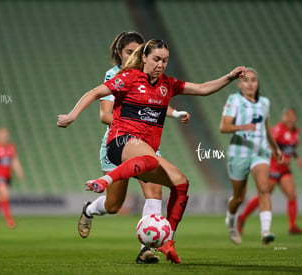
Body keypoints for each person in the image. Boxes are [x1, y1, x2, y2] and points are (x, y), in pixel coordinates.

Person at [58, 39, 246, 263]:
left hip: (145, 151)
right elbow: (95, 93)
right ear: (144, 57)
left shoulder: (168, 84)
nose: (161, 64)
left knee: (179, 183)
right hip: (121, 141)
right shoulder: (128, 77)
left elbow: (203, 88)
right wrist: (72, 115)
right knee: (150, 159)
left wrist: (230, 77)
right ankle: (105, 180)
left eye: (165, 60)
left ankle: (165, 242)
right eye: (156, 59)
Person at [84, 31, 190, 265]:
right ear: (119, 54)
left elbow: (154, 103)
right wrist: (134, 124)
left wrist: (174, 113)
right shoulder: (117, 76)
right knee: (113, 205)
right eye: (129, 52)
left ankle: (147, 248)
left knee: (154, 193)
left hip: (145, 145)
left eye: (138, 51)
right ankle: (89, 209)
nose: (135, 55)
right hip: (120, 142)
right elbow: (105, 115)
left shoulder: (151, 78)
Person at [219, 67, 283, 245]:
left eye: (253, 80)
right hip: (238, 153)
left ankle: (266, 231)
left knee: (264, 188)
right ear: (240, 84)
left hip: (260, 152)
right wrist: (242, 127)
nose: (250, 83)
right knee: (238, 197)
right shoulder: (235, 100)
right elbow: (224, 127)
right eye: (246, 80)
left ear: (257, 83)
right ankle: (231, 220)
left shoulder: (264, 103)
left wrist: (275, 148)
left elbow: (266, 126)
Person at [237, 108, 302, 234]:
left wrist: (297, 157)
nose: (289, 118)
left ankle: (292, 226)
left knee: (292, 195)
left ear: (296, 118)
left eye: (292, 116)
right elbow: (269, 146)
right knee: (264, 195)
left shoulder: (296, 132)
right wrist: (280, 157)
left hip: (284, 169)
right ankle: (242, 218)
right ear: (283, 117)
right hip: (272, 167)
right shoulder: (278, 129)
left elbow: (290, 147)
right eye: (287, 115)